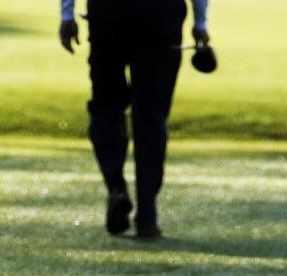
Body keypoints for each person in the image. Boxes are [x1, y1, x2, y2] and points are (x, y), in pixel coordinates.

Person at [59, 0, 211, 239]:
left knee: (106, 105)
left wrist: (67, 15)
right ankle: (147, 214)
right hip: (161, 16)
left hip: (109, 15)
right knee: (151, 115)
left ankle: (116, 185)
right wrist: (200, 21)